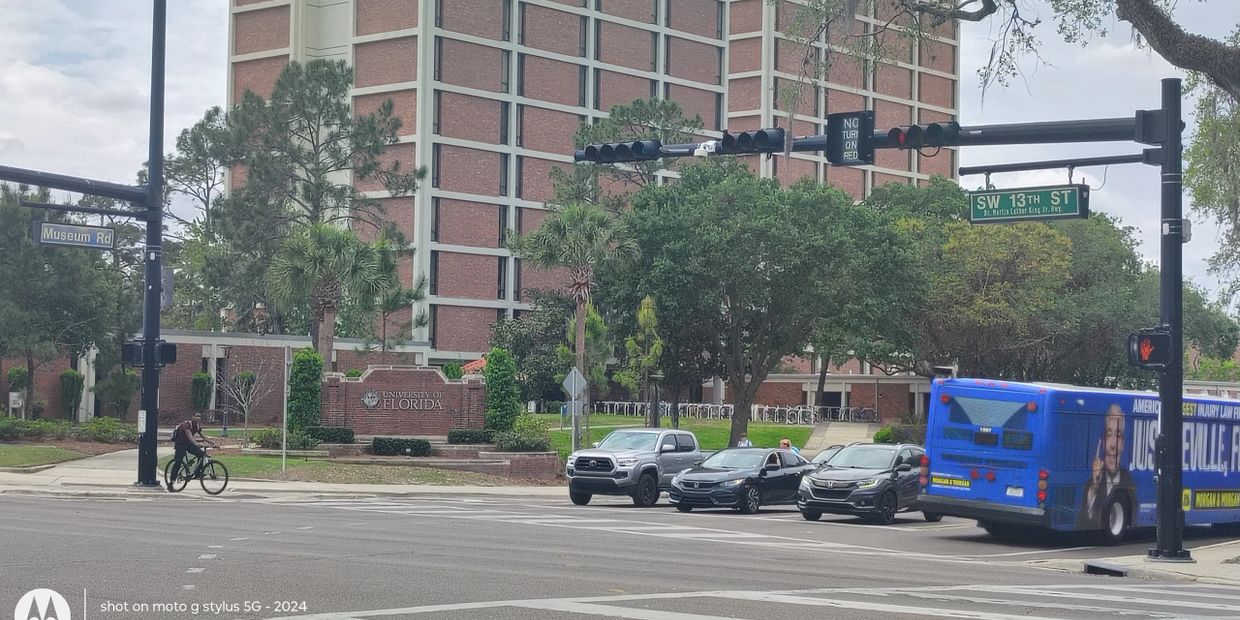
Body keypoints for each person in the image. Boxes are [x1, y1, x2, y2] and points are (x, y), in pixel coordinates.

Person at [1077, 404, 1135, 528]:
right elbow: (1081, 524)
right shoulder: (1091, 485)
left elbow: (1136, 518)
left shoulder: (1130, 481)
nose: (1112, 445)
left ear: (1123, 444)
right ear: (1102, 442)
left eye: (1118, 435)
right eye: (1109, 435)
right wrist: (1094, 486)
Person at [169, 412, 215, 491]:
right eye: (196, 416)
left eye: (199, 416)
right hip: (180, 444)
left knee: (201, 454)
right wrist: (197, 444)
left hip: (188, 444)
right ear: (192, 416)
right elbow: (190, 436)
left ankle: (197, 473)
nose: (198, 418)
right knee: (178, 461)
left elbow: (203, 436)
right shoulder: (187, 425)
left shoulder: (197, 426)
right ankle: (171, 482)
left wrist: (212, 443)